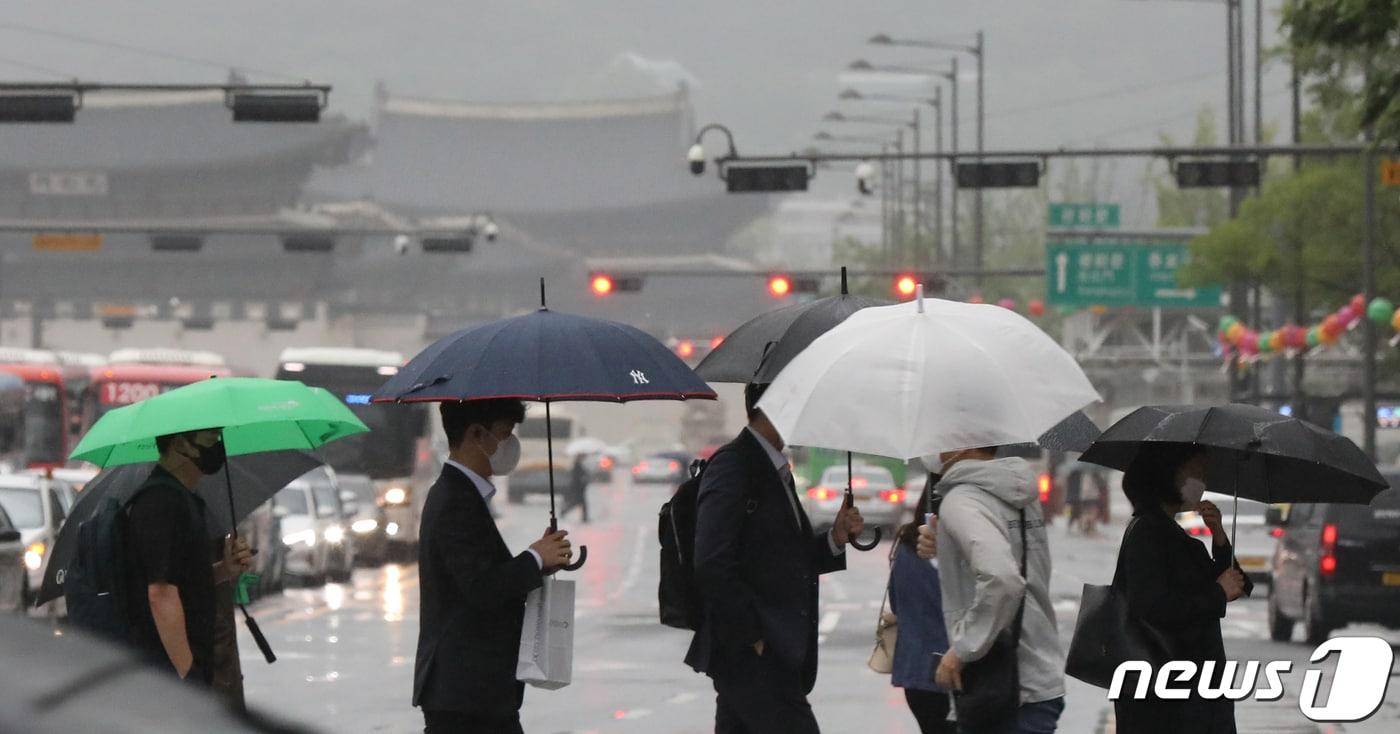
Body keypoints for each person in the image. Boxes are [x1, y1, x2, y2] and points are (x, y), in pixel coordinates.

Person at [685, 382, 864, 734]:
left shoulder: (772, 467)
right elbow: (711, 560)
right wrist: (751, 635)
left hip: (768, 652)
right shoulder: (735, 465)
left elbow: (783, 557)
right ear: (774, 406)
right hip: (754, 654)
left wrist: (835, 538)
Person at [413, 399, 575, 734]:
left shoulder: (463, 495)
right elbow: (481, 588)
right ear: (476, 434)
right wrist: (534, 558)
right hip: (465, 692)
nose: (511, 444)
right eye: (504, 433)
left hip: (475, 692)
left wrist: (542, 559)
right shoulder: (454, 501)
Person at [917, 447, 1065, 734]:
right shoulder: (1020, 492)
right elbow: (1015, 555)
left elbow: (1003, 579)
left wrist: (961, 650)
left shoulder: (961, 500)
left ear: (961, 444)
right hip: (1037, 675)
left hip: (998, 687)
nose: (932, 446)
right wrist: (947, 544)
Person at [1112, 447, 1251, 734]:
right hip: (1169, 700)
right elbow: (1151, 606)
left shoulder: (1169, 532)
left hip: (1188, 694)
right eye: (1195, 473)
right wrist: (1216, 594)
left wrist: (1220, 537)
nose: (1201, 482)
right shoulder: (1148, 534)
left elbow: (1233, 584)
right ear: (1167, 476)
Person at [124, 428, 253, 685]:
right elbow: (160, 592)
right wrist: (186, 673)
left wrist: (224, 570)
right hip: (166, 676)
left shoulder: (183, 499)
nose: (218, 449)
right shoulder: (159, 501)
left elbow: (182, 579)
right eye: (211, 441)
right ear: (181, 445)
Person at [888, 479, 954, 734]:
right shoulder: (957, 550)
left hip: (914, 673)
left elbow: (896, 602)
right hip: (952, 670)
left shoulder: (905, 544)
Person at [564, 452, 591, 524]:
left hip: (580, 488)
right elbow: (577, 477)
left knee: (580, 503)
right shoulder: (577, 465)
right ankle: (564, 511)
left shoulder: (579, 465)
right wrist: (583, 477)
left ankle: (584, 518)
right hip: (578, 488)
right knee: (578, 503)